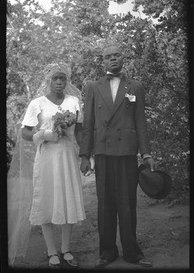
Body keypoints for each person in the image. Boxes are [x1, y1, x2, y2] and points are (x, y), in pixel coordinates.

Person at [80, 44, 157, 268]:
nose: (112, 59)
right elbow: (88, 123)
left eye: (116, 55)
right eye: (108, 57)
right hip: (103, 151)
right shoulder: (93, 86)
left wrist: (147, 152)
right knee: (105, 203)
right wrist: (85, 154)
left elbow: (141, 122)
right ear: (102, 62)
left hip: (126, 152)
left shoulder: (136, 86)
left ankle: (132, 252)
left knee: (127, 203)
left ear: (123, 58)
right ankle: (106, 252)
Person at [7, 63, 86, 268]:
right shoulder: (37, 103)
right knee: (47, 199)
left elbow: (80, 131)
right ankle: (52, 250)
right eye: (55, 78)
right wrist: (43, 134)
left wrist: (86, 154)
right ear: (48, 81)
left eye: (62, 78)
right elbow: (25, 132)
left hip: (68, 157)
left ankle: (66, 249)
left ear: (66, 80)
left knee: (68, 198)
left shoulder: (74, 101)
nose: (59, 82)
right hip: (47, 157)